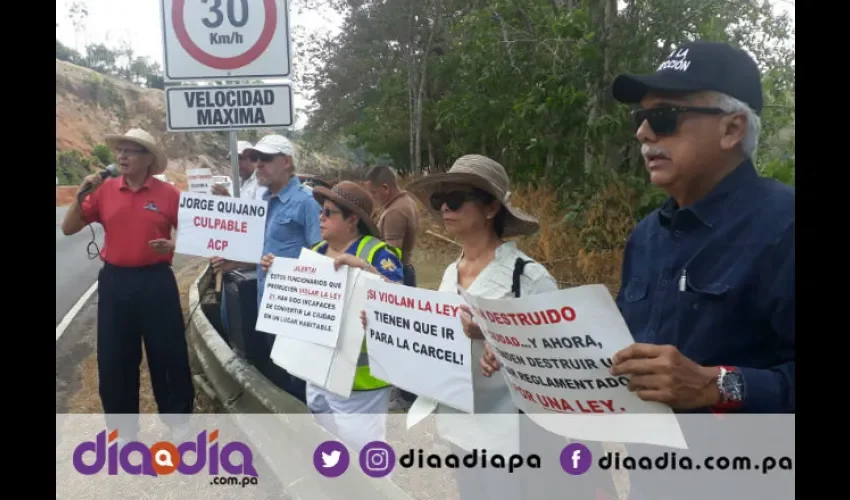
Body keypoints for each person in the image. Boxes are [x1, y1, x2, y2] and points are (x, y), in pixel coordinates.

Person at [607, 41, 794, 498]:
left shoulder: (784, 226)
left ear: (732, 128)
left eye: (665, 116)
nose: (644, 134)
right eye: (640, 118)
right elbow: (615, 354)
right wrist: (516, 351)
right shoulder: (646, 236)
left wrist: (718, 385)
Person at [403, 154, 557, 500]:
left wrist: (495, 337)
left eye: (456, 200)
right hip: (459, 425)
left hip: (510, 435)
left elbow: (561, 357)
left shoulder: (528, 277)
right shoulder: (449, 272)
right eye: (440, 201)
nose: (445, 209)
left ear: (490, 209)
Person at [60, 128, 195, 440]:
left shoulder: (169, 194)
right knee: (114, 357)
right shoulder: (104, 191)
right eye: (119, 150)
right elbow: (68, 228)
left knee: (168, 351)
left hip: (156, 282)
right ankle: (123, 431)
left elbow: (193, 233)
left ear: (148, 159)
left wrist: (171, 246)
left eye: (131, 151)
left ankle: (178, 423)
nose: (121, 156)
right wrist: (82, 192)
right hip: (115, 283)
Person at [261, 181, 403, 450]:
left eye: (328, 212)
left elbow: (401, 302)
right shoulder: (315, 253)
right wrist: (278, 273)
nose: (320, 218)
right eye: (320, 211)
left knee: (365, 456)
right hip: (317, 372)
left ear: (352, 220)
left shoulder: (377, 253)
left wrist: (365, 270)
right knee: (329, 447)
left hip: (361, 382)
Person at [363, 165, 420, 287]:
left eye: (373, 192)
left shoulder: (395, 212)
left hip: (397, 275)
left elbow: (392, 256)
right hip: (405, 270)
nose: (372, 197)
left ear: (385, 188)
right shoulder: (406, 201)